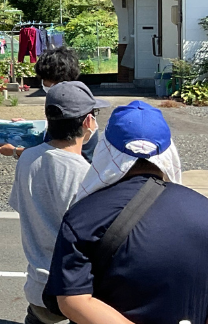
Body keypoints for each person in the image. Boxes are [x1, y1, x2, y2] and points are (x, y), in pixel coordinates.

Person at [44, 101, 208, 324]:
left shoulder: (83, 216)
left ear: (107, 151)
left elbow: (73, 301)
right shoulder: (202, 209)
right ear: (169, 153)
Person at [9, 81, 107, 324]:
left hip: (37, 286)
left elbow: (22, 206)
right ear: (87, 122)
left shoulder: (27, 158)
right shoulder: (85, 174)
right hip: (75, 288)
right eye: (94, 114)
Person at [0, 47, 101, 163]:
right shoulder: (76, 101)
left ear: (53, 80)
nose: (43, 83)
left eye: (44, 79)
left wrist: (15, 151)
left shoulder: (74, 111)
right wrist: (29, 126)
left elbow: (53, 152)